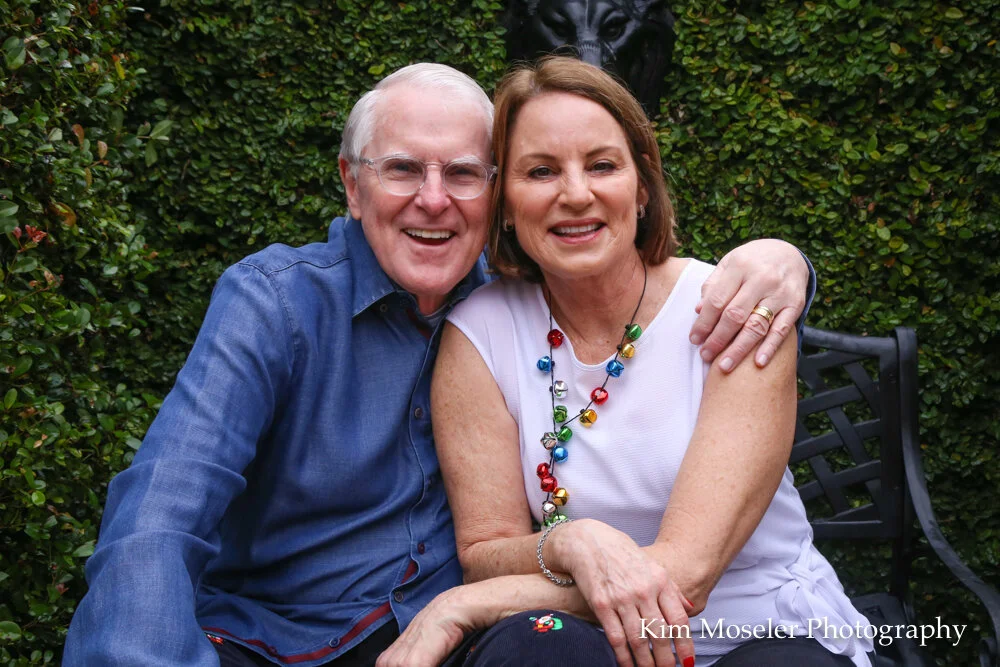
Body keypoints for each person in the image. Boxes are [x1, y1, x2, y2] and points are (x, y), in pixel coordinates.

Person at [63, 62, 815, 666]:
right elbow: (161, 514)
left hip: (455, 640)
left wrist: (789, 263)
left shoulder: (509, 305)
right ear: (352, 186)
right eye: (400, 170)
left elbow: (660, 296)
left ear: (492, 195)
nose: (433, 201)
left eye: (461, 173)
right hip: (281, 642)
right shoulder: (278, 305)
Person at [387, 57, 874, 667]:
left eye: (602, 165)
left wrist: (465, 605)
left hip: (760, 631)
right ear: (503, 202)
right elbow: (487, 548)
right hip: (595, 637)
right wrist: (571, 542)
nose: (575, 194)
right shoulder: (481, 332)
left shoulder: (736, 308)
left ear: (642, 188)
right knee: (534, 648)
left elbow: (687, 574)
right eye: (540, 171)